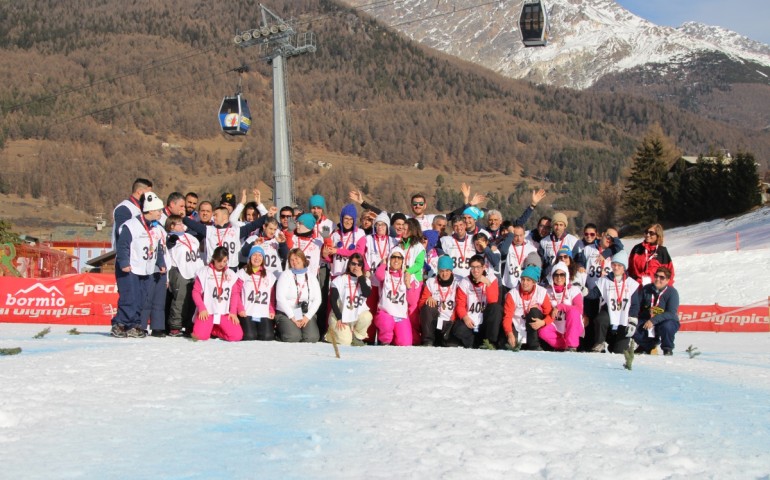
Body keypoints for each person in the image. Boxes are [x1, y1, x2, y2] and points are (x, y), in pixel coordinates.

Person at [111, 191, 166, 338]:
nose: (161, 213)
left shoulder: (155, 227)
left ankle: (134, 324)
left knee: (142, 298)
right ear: (151, 210)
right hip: (131, 268)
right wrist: (124, 262)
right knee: (129, 297)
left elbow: (158, 247)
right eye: (159, 210)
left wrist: (161, 263)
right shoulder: (131, 225)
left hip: (146, 268)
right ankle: (120, 324)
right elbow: (123, 245)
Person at [583, 251, 640, 354]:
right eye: (614, 264)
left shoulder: (631, 283)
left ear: (624, 267)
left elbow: (635, 304)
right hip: (609, 311)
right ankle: (600, 342)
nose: (616, 268)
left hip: (624, 315)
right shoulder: (605, 280)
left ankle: (625, 343)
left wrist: (632, 320)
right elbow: (595, 294)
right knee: (600, 319)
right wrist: (585, 292)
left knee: (619, 351)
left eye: (619, 265)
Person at [191, 246, 243, 342]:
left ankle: (214, 331)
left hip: (224, 312)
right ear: (214, 258)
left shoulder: (231, 274)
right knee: (199, 336)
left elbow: (235, 294)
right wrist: (202, 308)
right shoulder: (204, 272)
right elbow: (196, 292)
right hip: (208, 312)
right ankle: (207, 328)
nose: (221, 264)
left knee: (237, 336)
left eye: (224, 261)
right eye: (219, 261)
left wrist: (233, 312)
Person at [451, 254, 501, 349]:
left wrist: (487, 283)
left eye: (478, 267)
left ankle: (490, 342)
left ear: (484, 267)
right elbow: (460, 304)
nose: (475, 270)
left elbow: (493, 300)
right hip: (471, 319)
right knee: (458, 330)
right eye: (473, 267)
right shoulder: (465, 282)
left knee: (496, 308)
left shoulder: (492, 278)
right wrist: (465, 317)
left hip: (485, 319)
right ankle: (474, 344)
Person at [165, 214, 203, 337]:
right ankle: (175, 326)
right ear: (172, 226)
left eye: (182, 223)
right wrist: (169, 241)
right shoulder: (170, 237)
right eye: (179, 224)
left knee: (192, 300)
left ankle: (189, 324)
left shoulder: (190, 237)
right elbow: (167, 246)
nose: (183, 226)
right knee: (180, 299)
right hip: (179, 270)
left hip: (194, 270)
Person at [275, 249, 322, 343]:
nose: (294, 262)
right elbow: (280, 298)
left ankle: (300, 330)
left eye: (297, 258)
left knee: (312, 338)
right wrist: (292, 316)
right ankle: (279, 333)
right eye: (291, 260)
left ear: (303, 259)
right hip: (287, 312)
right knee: (293, 337)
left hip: (304, 313)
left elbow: (318, 299)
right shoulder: (285, 275)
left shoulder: (311, 277)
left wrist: (307, 317)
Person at [325, 253, 372, 346]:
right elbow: (333, 300)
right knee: (346, 342)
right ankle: (330, 335)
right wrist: (338, 317)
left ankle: (357, 336)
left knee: (367, 317)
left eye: (359, 264)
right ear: (349, 264)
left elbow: (367, 293)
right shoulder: (340, 279)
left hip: (356, 314)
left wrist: (361, 278)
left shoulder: (365, 280)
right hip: (340, 315)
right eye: (353, 264)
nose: (356, 267)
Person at [502, 265, 553, 350]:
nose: (524, 283)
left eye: (528, 280)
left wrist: (543, 322)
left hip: (535, 326)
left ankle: (534, 346)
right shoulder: (512, 294)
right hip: (517, 324)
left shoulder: (541, 292)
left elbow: (550, 314)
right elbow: (507, 317)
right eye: (523, 279)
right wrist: (509, 333)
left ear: (534, 282)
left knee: (534, 311)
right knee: (510, 346)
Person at [233, 245, 277, 341]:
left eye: (260, 256)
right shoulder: (242, 273)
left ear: (263, 259)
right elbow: (236, 293)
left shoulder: (269, 275)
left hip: (263, 312)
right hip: (247, 312)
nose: (257, 258)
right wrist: (240, 309)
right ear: (249, 258)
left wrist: (271, 310)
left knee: (267, 337)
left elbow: (272, 295)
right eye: (254, 255)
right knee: (249, 336)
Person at [632, 266, 679, 355]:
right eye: (656, 276)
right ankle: (647, 346)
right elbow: (637, 305)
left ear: (668, 280)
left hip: (664, 321)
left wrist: (653, 320)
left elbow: (671, 313)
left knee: (668, 326)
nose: (658, 279)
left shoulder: (672, 292)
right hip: (647, 319)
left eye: (662, 277)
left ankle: (667, 349)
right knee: (633, 326)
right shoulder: (646, 289)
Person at [373, 247, 413, 346]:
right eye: (393, 257)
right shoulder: (385, 274)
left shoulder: (406, 276)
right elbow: (378, 275)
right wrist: (383, 263)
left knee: (405, 343)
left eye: (399, 258)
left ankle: (395, 338)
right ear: (389, 259)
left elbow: (411, 300)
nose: (396, 260)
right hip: (386, 313)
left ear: (403, 261)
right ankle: (385, 341)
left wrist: (408, 285)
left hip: (400, 315)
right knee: (386, 325)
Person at [541, 262, 583, 351]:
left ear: (566, 276)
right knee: (542, 331)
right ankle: (562, 346)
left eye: (562, 275)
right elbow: (541, 306)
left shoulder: (574, 290)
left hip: (572, 324)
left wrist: (560, 306)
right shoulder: (546, 291)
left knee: (573, 311)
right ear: (552, 277)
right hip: (555, 323)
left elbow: (579, 309)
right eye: (556, 275)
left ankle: (572, 346)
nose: (559, 278)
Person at [418, 255, 458, 346]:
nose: (444, 274)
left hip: (451, 322)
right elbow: (421, 305)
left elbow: (461, 304)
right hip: (436, 321)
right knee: (427, 306)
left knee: (450, 345)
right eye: (442, 271)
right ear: (438, 271)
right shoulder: (431, 282)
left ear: (451, 271)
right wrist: (427, 299)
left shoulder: (457, 283)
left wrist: (454, 318)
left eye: (447, 271)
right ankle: (428, 340)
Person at [111, 178, 153, 249]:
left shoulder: (144, 208)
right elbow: (122, 234)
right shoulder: (124, 208)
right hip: (127, 254)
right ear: (139, 191)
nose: (150, 196)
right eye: (149, 193)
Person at [539, 212, 578, 280]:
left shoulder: (573, 241)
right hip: (549, 278)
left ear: (565, 226)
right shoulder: (544, 242)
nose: (558, 227)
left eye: (561, 225)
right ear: (552, 226)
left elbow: (577, 261)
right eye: (556, 225)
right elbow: (541, 262)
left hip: (567, 277)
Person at [501, 225, 538, 293]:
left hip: (524, 282)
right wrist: (510, 233)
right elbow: (503, 251)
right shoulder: (508, 246)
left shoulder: (531, 248)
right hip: (508, 282)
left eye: (521, 235)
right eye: (515, 236)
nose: (519, 239)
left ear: (524, 235)